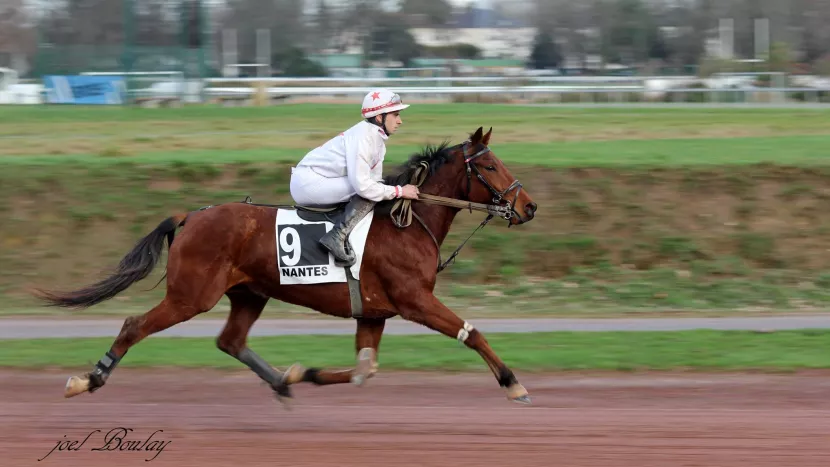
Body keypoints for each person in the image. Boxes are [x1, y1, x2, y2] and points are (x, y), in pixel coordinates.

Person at [289, 88, 420, 266]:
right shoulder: (364, 137)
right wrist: (399, 191)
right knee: (367, 189)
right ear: (380, 117)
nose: (400, 121)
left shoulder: (377, 140)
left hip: (319, 180)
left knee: (375, 188)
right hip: (308, 183)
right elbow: (363, 186)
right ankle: (336, 237)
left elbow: (376, 182)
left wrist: (390, 191)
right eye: (395, 115)